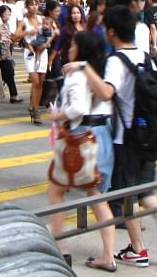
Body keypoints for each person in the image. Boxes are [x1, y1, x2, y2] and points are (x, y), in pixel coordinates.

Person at [70, 4, 157, 268]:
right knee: (139, 191)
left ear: (110, 31)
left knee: (127, 195)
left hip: (126, 138)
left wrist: (85, 68)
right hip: (147, 133)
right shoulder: (144, 56)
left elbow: (107, 93)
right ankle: (140, 246)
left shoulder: (115, 61)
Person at [45, 29, 116, 272]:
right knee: (97, 196)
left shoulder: (77, 74)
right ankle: (108, 255)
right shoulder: (100, 71)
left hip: (81, 138)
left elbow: (77, 108)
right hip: (103, 135)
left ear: (81, 48)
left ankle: (60, 247)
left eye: (74, 43)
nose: (70, 47)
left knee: (56, 189)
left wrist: (57, 115)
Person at [15, 0, 50, 124]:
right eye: (31, 5)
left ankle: (35, 107)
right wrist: (27, 33)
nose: (34, 7)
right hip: (30, 52)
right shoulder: (24, 21)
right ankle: (35, 110)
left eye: (36, 4)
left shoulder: (42, 19)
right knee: (35, 81)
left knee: (40, 82)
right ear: (27, 7)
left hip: (42, 51)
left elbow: (52, 29)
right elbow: (15, 36)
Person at [0, 4, 21, 104]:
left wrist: (13, 38)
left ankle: (10, 95)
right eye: (6, 14)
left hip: (7, 53)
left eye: (9, 14)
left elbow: (9, 36)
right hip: (0, 55)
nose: (8, 16)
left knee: (7, 75)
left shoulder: (7, 25)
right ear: (1, 14)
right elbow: (0, 39)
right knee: (9, 74)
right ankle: (13, 95)